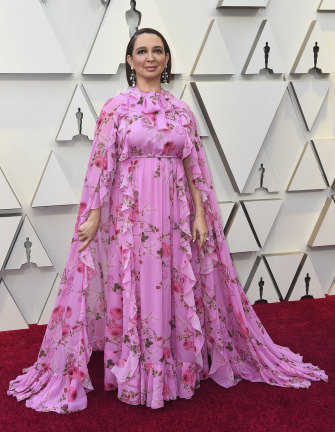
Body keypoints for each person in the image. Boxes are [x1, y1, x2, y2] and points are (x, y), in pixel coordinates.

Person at [7, 28, 328, 413]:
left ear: (166, 59)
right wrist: (93, 213)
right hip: (133, 218)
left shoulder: (181, 111)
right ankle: (138, 373)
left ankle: (174, 371)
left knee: (174, 286)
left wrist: (201, 214)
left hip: (176, 219)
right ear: (129, 60)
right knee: (139, 286)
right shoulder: (115, 109)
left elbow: (194, 165)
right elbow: (100, 164)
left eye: (158, 50)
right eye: (141, 51)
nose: (150, 57)